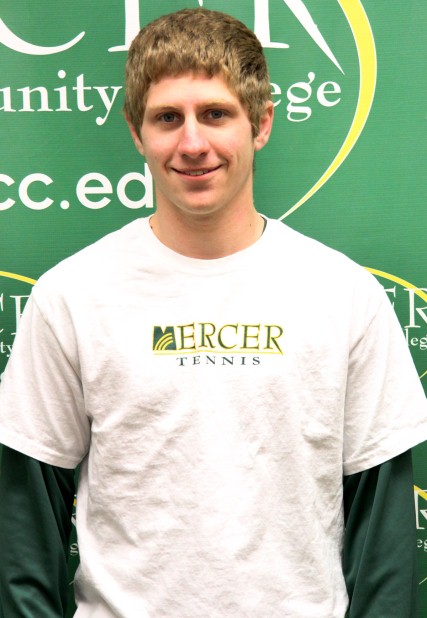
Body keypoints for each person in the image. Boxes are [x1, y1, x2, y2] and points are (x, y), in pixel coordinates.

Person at [0, 8, 426, 618]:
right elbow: (25, 534)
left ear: (261, 123)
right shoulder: (71, 295)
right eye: (167, 118)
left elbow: (383, 535)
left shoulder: (343, 294)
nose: (193, 143)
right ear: (136, 131)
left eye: (216, 114)